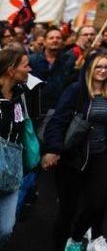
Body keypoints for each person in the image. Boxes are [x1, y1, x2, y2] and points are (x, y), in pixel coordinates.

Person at [42, 53, 107, 251]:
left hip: (99, 156)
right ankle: (60, 246)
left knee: (97, 204)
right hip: (73, 157)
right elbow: (58, 121)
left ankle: (75, 238)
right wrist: (53, 149)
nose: (103, 71)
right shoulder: (77, 91)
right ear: (90, 69)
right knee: (68, 210)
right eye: (99, 67)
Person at [0, 47, 34, 246]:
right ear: (11, 70)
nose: (29, 69)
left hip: (12, 168)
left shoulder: (21, 94)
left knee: (5, 229)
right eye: (25, 65)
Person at [27, 28, 75, 125]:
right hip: (36, 111)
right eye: (51, 38)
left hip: (59, 111)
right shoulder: (32, 60)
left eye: (58, 38)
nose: (55, 40)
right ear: (44, 41)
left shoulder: (70, 61)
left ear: (62, 42)